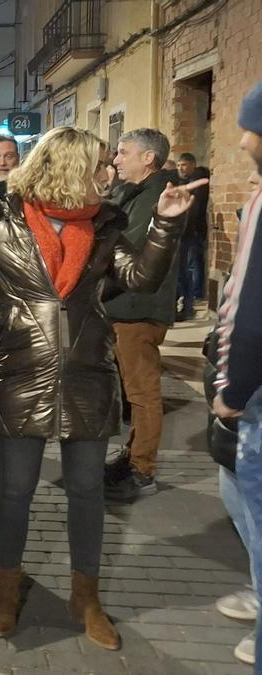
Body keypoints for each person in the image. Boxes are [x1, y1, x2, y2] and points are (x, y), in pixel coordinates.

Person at [0, 126, 203, 650]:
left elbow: (140, 279)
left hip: (88, 375)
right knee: (14, 491)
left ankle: (86, 598)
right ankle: (6, 591)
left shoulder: (105, 225)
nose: (107, 172)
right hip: (21, 375)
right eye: (98, 164)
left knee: (87, 492)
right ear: (69, 168)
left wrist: (166, 223)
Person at [104, 128, 180, 502]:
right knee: (136, 392)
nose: (116, 159)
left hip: (139, 309)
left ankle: (142, 471)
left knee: (143, 393)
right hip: (130, 307)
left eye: (123, 152)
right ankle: (133, 456)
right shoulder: (139, 192)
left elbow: (127, 252)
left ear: (148, 158)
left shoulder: (156, 196)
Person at [214, 80, 262, 669]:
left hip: (256, 395)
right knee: (236, 491)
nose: (245, 141)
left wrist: (233, 389)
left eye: (253, 129)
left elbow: (249, 312)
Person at [175, 152, 211, 321]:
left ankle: (194, 298)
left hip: (191, 231)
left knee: (189, 267)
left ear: (192, 165)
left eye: (183, 165)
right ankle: (190, 301)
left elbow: (194, 209)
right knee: (185, 269)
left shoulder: (197, 183)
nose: (180, 168)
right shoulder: (185, 182)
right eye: (178, 165)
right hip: (185, 231)